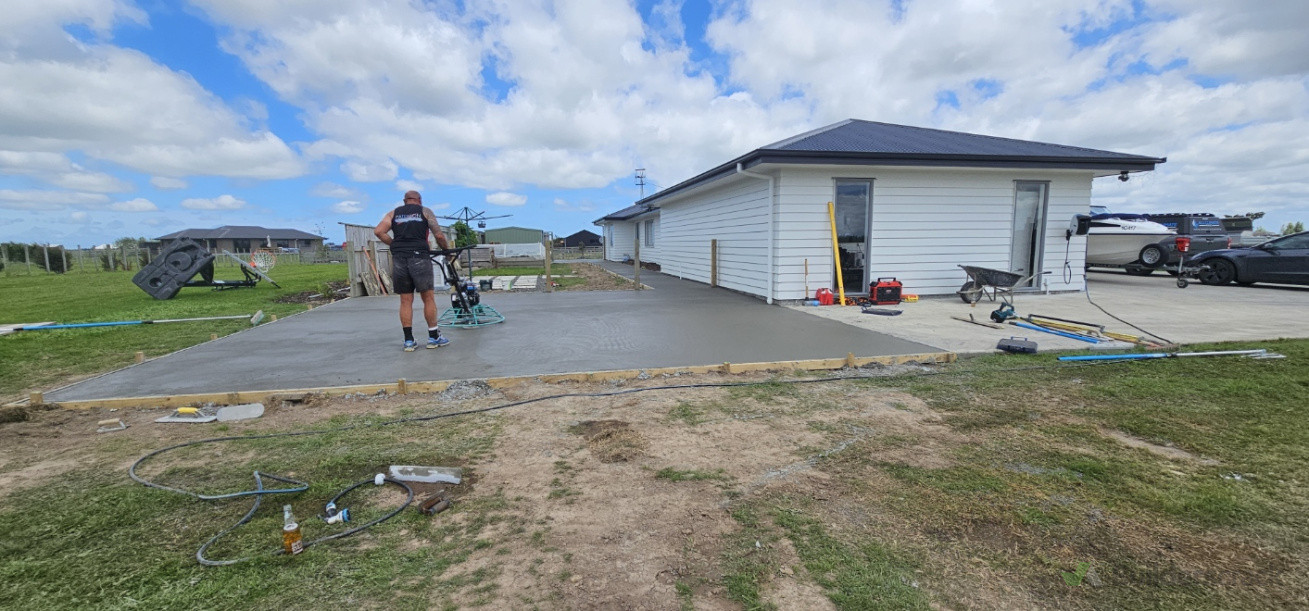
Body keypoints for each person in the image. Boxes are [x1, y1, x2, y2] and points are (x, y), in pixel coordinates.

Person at [374, 191, 453, 351]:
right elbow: (438, 234)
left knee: (405, 301)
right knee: (428, 298)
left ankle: (409, 341)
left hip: (399, 259)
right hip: (420, 257)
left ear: (405, 201)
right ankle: (433, 338)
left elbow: (378, 231)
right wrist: (447, 251)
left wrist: (395, 244)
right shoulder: (425, 211)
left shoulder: (393, 213)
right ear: (419, 200)